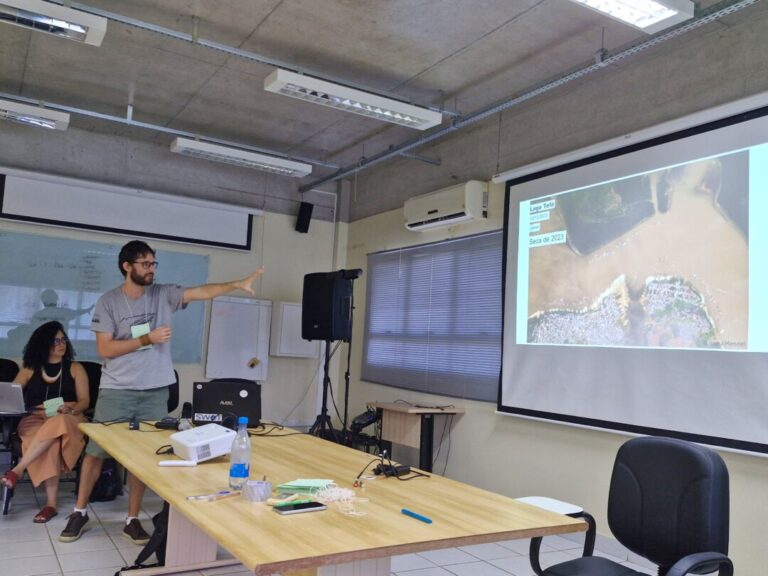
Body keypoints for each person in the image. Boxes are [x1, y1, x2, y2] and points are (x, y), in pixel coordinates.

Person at [59, 240, 264, 544]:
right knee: (96, 452)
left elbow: (202, 291)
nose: (151, 269)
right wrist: (146, 339)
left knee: (143, 457)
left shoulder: (163, 295)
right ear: (127, 266)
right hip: (118, 389)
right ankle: (79, 512)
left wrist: (236, 284)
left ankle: (132, 519)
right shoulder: (108, 302)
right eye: (145, 264)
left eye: (154, 263)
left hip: (155, 390)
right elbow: (105, 348)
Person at [1, 321, 90, 523]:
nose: (61, 344)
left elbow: (85, 400)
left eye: (63, 339)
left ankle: (17, 469)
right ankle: (50, 505)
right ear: (43, 344)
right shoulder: (29, 370)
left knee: (57, 423)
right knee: (50, 442)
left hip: (68, 418)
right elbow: (11, 397)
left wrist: (72, 408)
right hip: (35, 418)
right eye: (55, 340)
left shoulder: (75, 368)